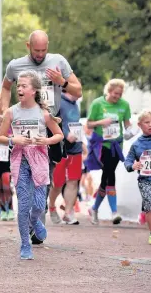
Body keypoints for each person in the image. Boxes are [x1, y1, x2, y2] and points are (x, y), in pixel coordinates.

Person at [1, 30, 82, 222]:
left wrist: (61, 82)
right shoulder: (15, 65)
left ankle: (39, 210)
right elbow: (5, 87)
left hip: (47, 124)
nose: (40, 54)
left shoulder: (59, 62)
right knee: (26, 173)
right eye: (36, 50)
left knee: (44, 174)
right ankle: (32, 211)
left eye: (43, 50)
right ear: (28, 46)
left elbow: (78, 91)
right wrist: (5, 111)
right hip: (24, 124)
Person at [0, 70, 63, 260]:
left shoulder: (43, 113)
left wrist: (45, 141)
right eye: (18, 86)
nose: (19, 88)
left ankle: (36, 221)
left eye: (24, 86)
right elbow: (0, 137)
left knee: (39, 205)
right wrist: (13, 139)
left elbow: (59, 135)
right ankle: (25, 244)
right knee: (24, 205)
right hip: (20, 161)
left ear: (34, 90)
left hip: (40, 160)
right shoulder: (11, 112)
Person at [86, 79, 133, 225]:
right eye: (115, 94)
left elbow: (127, 124)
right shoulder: (98, 104)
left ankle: (94, 208)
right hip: (101, 145)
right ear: (109, 91)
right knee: (109, 175)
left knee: (106, 177)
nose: (117, 97)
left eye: (119, 94)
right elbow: (89, 123)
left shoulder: (124, 105)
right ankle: (114, 212)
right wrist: (101, 122)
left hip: (116, 145)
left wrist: (130, 132)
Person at [124, 110, 151, 245]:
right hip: (146, 181)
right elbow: (128, 161)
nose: (150, 125)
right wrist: (133, 165)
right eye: (146, 122)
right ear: (140, 125)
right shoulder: (136, 144)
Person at [49, 91, 83, 225]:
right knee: (57, 183)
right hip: (62, 148)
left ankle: (68, 213)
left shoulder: (76, 104)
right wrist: (66, 134)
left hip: (76, 147)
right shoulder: (58, 102)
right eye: (78, 88)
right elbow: (51, 122)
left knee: (73, 181)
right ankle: (51, 207)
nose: (80, 91)